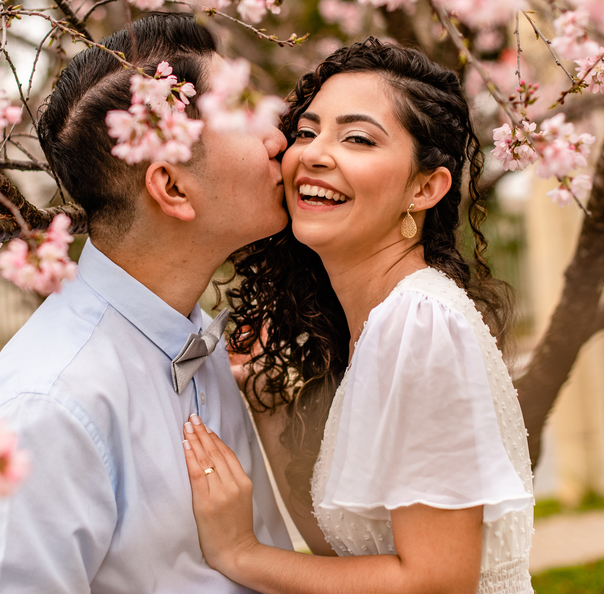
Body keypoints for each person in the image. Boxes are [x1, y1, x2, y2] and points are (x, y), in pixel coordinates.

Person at [0, 12, 294, 593]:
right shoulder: (49, 407)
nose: (278, 138)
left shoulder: (199, 345)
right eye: (246, 116)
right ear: (173, 187)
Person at [181, 38, 535, 593]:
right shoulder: (371, 326)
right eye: (306, 132)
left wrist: (240, 553)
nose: (315, 154)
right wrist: (267, 400)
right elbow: (351, 556)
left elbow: (436, 583)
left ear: (425, 188)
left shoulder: (420, 323)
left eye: (357, 138)